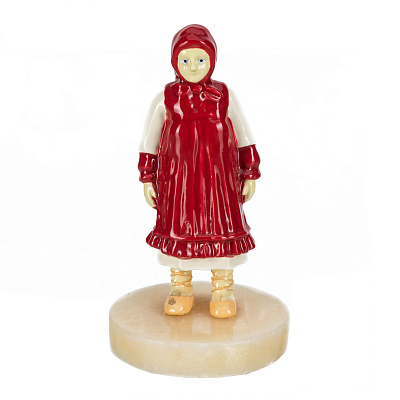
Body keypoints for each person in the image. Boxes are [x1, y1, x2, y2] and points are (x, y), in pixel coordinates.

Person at [138, 24, 261, 318]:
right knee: (180, 230)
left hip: (218, 179)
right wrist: (147, 177)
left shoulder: (224, 95)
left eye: (200, 59)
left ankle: (223, 289)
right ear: (175, 62)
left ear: (212, 60)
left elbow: (244, 134)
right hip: (179, 180)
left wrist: (250, 171)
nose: (193, 67)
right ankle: (181, 287)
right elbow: (149, 139)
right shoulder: (166, 97)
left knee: (221, 230)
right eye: (185, 60)